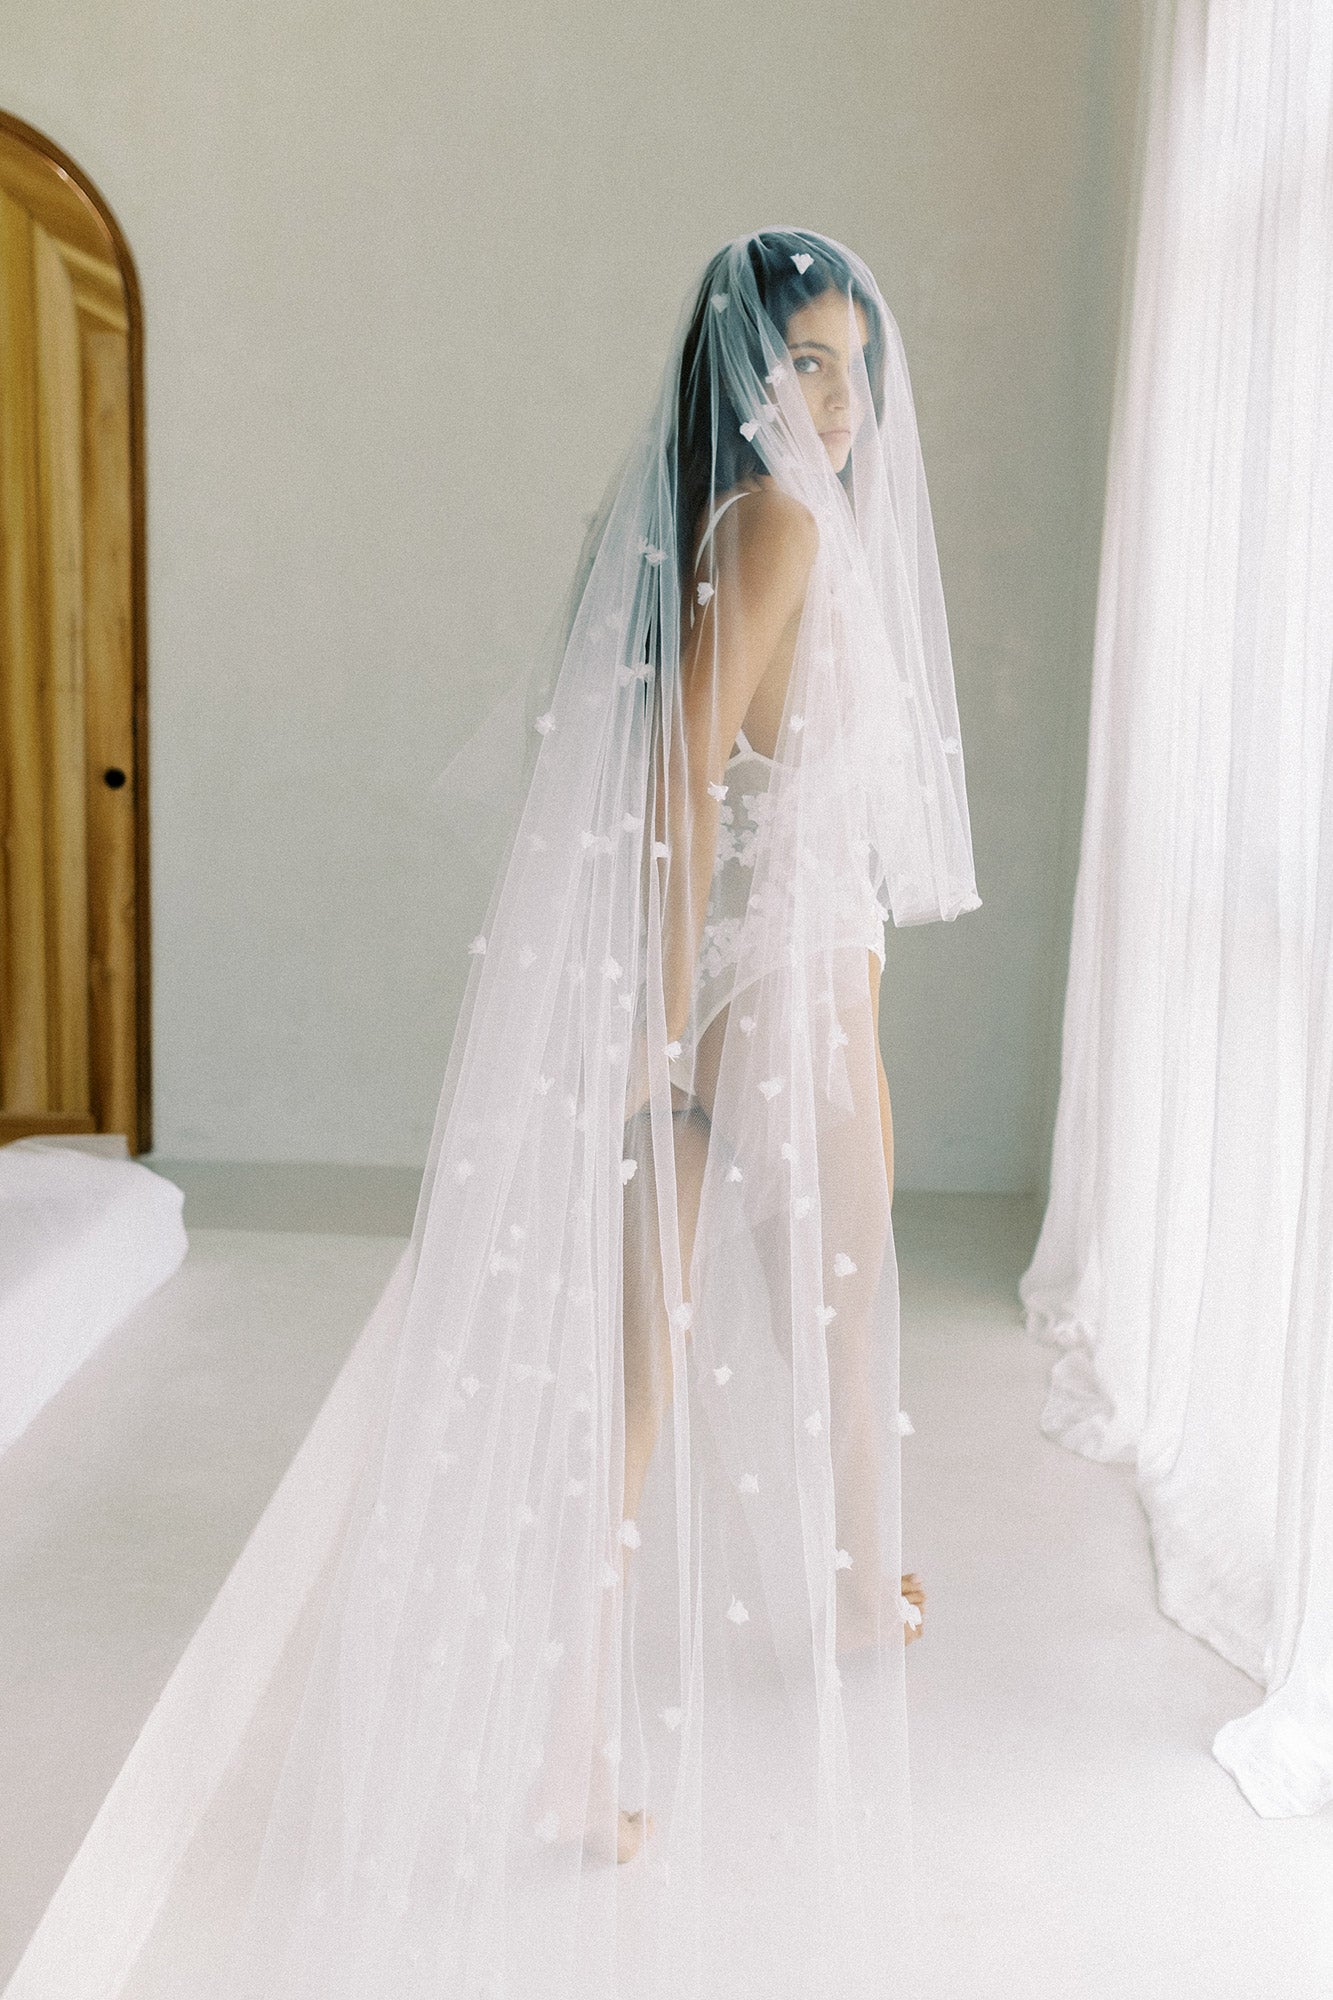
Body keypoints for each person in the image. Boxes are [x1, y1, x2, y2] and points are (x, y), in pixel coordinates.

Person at [224, 227, 980, 2000]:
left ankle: (641, 1705)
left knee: (686, 1365)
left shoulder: (719, 523)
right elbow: (679, 771)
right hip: (777, 994)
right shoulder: (778, 527)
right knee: (807, 1328)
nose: (837, 401)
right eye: (802, 362)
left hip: (754, 988)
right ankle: (800, 1619)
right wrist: (659, 1019)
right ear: (741, 373)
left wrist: (671, 1011)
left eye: (851, 365)